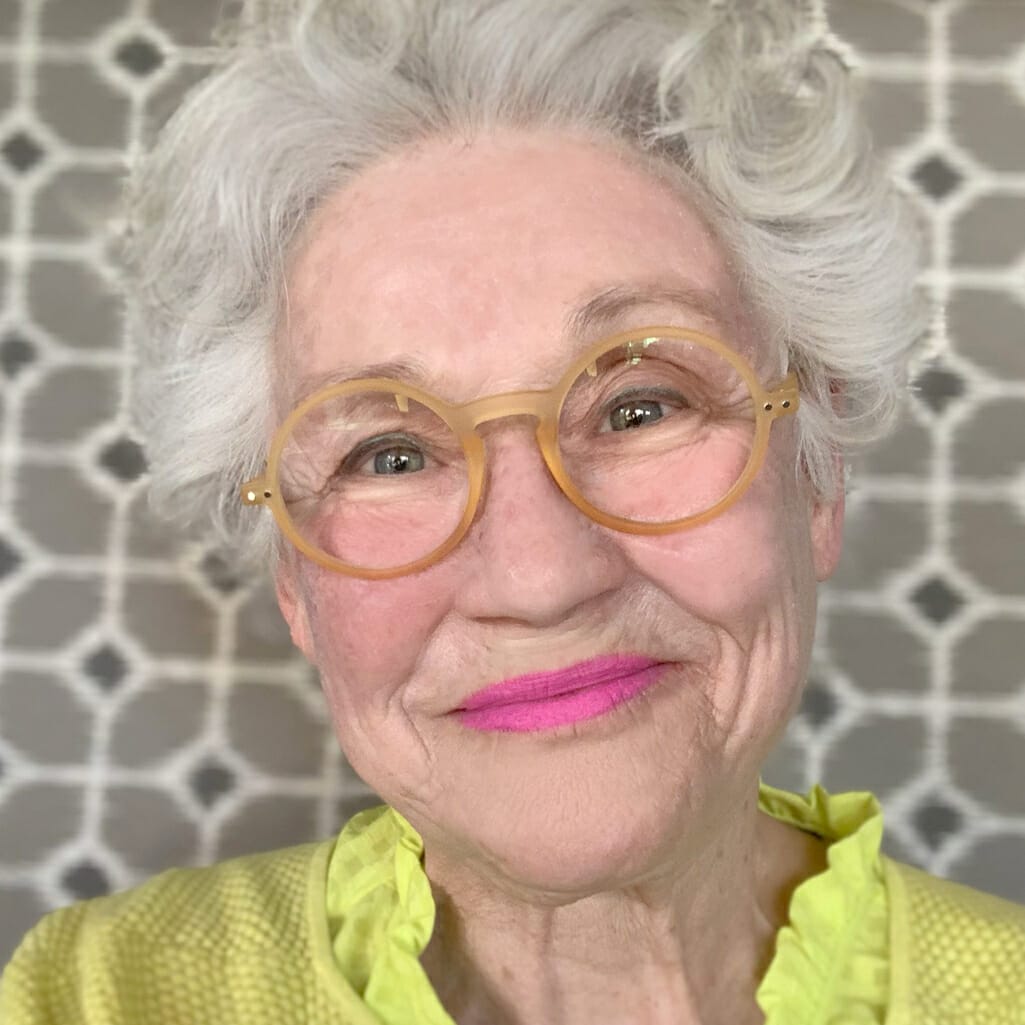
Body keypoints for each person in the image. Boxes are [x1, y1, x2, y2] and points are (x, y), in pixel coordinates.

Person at [3, 1, 1024, 1023]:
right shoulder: (93, 996)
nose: (540, 579)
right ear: (294, 583)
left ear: (815, 474)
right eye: (389, 454)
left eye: (639, 406)